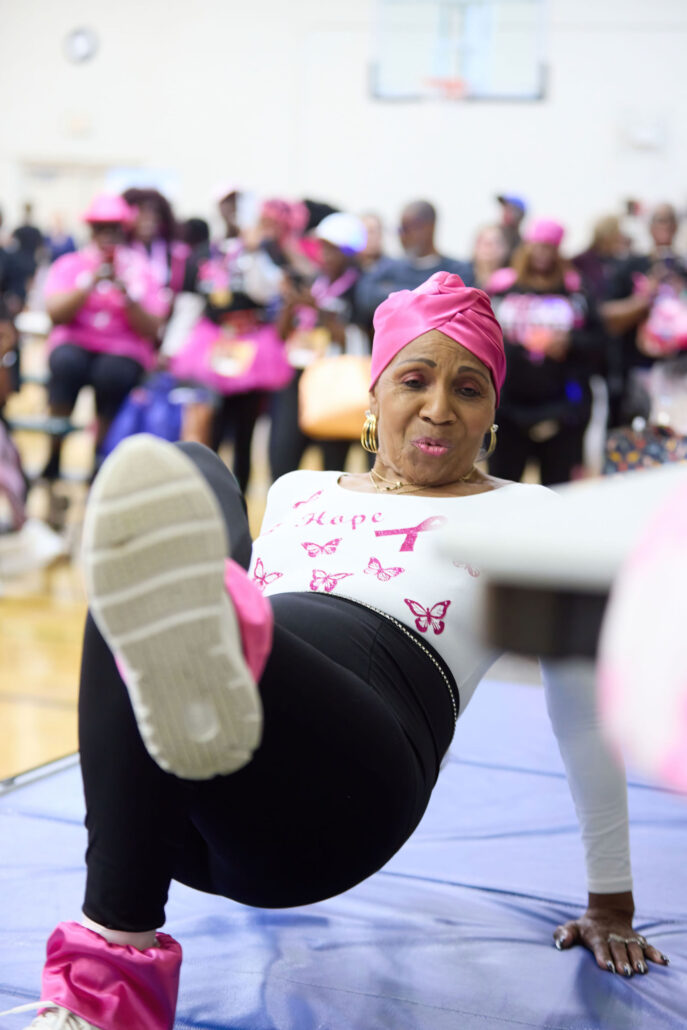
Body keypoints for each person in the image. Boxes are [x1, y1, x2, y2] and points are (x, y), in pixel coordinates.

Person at [9, 271, 666, 1030]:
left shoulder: (533, 515)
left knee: (166, 575)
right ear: (373, 396)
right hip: (194, 821)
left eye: (469, 389)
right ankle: (108, 977)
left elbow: (584, 715)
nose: (438, 408)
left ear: (491, 415)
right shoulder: (297, 489)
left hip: (347, 788)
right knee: (180, 492)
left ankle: (225, 629)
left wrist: (609, 897)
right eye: (413, 380)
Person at [40, 193, 169, 479]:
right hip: (76, 345)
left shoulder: (141, 269)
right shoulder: (71, 264)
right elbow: (55, 314)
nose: (108, 234)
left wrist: (126, 295)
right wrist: (89, 284)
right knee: (65, 363)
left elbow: (152, 329)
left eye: (114, 227)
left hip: (121, 352)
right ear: (91, 230)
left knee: (113, 374)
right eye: (101, 227)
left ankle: (100, 460)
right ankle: (54, 452)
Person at [168, 200, 288, 491]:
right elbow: (190, 304)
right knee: (210, 428)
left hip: (252, 347)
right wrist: (171, 349)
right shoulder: (204, 254)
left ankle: (240, 501)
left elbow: (267, 292)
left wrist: (253, 250)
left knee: (245, 432)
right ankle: (210, 494)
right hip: (210, 345)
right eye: (227, 203)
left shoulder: (265, 250)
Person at [487, 218, 605, 485]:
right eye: (537, 247)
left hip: (562, 408)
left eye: (549, 248)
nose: (542, 254)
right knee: (501, 487)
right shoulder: (502, 288)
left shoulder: (575, 290)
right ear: (527, 248)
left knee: (558, 490)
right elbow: (482, 336)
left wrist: (569, 341)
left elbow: (600, 341)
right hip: (509, 406)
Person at [268, 211, 369, 479]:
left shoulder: (362, 289)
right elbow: (282, 335)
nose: (324, 255)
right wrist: (290, 307)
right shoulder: (314, 282)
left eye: (332, 249)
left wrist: (320, 311)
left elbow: (354, 341)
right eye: (322, 247)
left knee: (332, 469)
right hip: (299, 379)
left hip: (334, 386)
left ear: (350, 252)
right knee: (281, 461)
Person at [601, 203, 687, 427]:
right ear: (649, 226)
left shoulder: (683, 267)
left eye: (670, 220)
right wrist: (646, 297)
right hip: (637, 374)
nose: (665, 226)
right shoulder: (631, 266)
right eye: (659, 220)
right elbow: (608, 317)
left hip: (680, 374)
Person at [356, 199, 474, 324]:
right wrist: (433, 294)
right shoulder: (388, 269)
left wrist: (394, 292)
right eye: (400, 230)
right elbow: (366, 297)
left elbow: (459, 306)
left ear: (430, 228)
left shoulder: (457, 271)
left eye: (408, 229)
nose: (402, 236)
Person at [122, 188, 190, 296]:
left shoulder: (176, 254)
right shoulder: (121, 252)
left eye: (154, 212)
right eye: (141, 211)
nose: (148, 218)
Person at [465, 224, 510, 290]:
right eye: (484, 241)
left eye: (496, 242)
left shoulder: (512, 280)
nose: (489, 246)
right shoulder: (463, 274)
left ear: (505, 248)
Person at [496, 193, 527, 263]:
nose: (504, 213)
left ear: (520, 215)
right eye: (504, 208)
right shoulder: (491, 235)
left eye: (510, 210)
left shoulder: (522, 245)